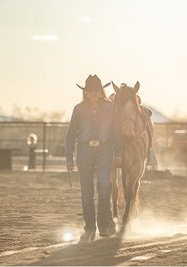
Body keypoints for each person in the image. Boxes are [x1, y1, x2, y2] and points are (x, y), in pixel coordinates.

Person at [65, 74, 121, 243]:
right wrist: (68, 157)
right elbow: (70, 134)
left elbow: (117, 132)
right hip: (84, 151)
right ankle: (89, 228)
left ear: (100, 91)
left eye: (97, 90)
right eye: (91, 90)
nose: (94, 93)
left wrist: (118, 153)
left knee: (104, 188)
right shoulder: (78, 109)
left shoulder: (110, 108)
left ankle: (103, 225)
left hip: (104, 150)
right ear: (86, 92)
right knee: (87, 192)